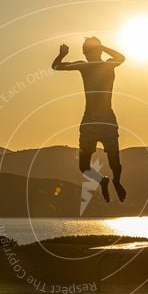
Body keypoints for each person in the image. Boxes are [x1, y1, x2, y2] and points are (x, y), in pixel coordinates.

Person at [52, 36, 127, 202]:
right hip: (91, 121)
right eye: (86, 51)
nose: (86, 54)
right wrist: (62, 55)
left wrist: (102, 47)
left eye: (88, 50)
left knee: (114, 161)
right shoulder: (85, 66)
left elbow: (122, 58)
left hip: (104, 119)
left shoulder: (108, 64)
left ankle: (116, 180)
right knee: (84, 166)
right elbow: (56, 66)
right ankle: (103, 181)